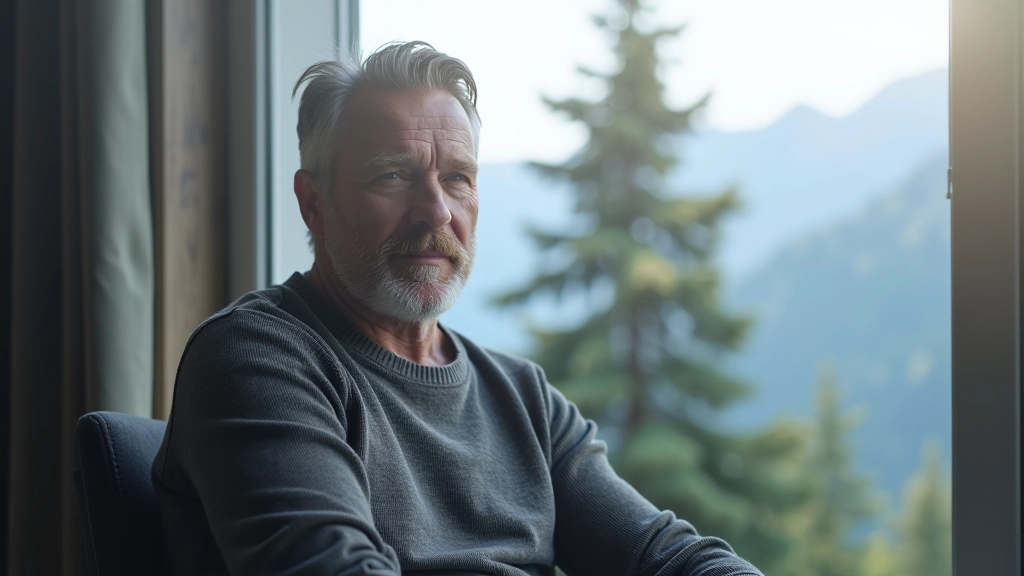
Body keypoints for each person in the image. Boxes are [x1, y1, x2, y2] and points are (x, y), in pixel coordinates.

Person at [152, 41, 764, 576]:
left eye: (458, 179)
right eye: (393, 176)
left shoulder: (523, 398)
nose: (436, 213)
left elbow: (663, 556)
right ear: (313, 202)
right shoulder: (255, 360)